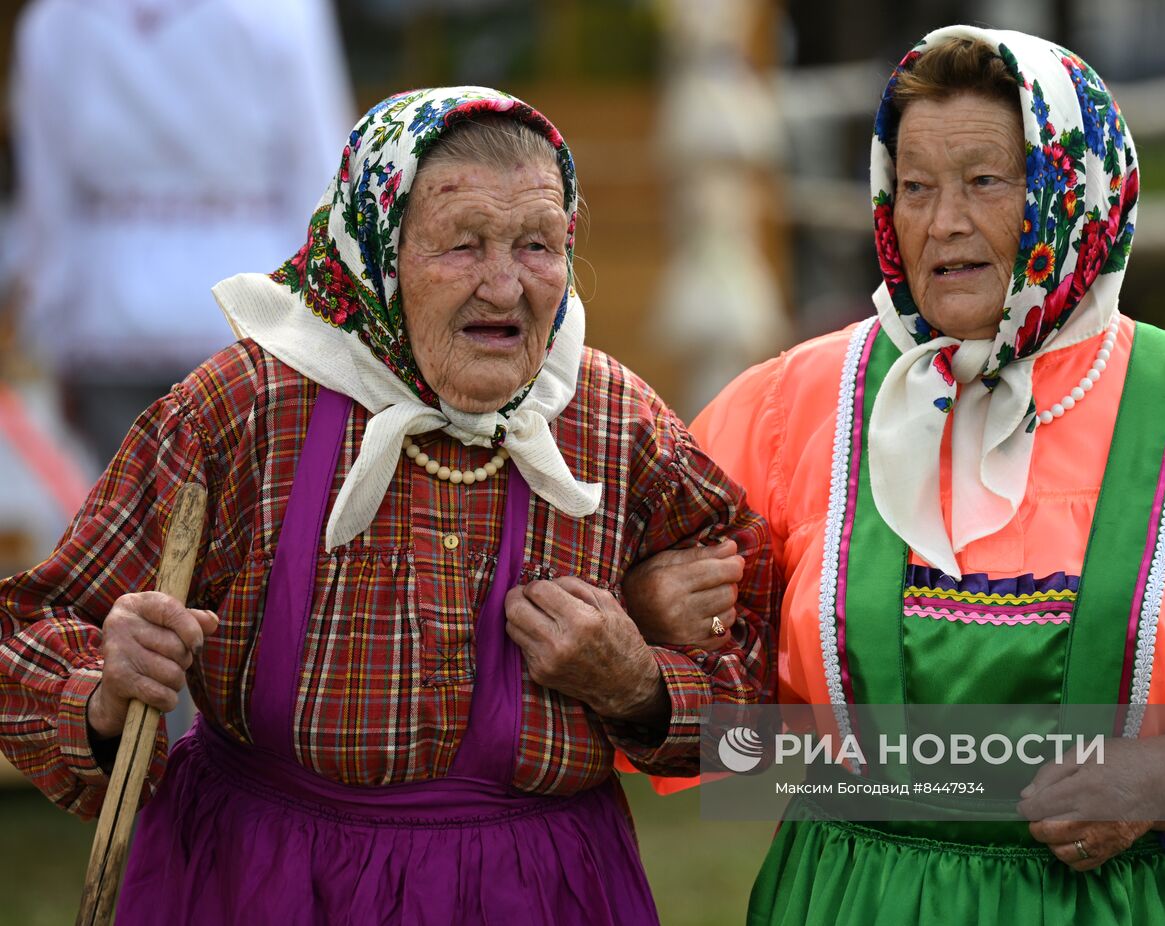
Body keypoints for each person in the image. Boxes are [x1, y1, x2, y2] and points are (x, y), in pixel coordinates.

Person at [624, 26, 1165, 925]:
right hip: (849, 903)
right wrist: (647, 623)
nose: (942, 223)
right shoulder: (795, 408)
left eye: (986, 181)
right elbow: (722, 739)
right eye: (914, 187)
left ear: (1075, 191)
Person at [0, 87, 775, 924]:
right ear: (375, 249)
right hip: (263, 886)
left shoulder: (618, 426)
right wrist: (105, 694)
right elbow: (30, 633)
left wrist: (638, 683)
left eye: (539, 245)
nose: (505, 286)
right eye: (462, 245)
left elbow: (760, 726)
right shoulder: (248, 407)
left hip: (539, 893)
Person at [8, 0, 353, 464]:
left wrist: (48, 323)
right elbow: (318, 172)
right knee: (244, 526)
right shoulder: (281, 11)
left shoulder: (56, 21)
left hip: (107, 319)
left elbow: (48, 201)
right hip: (249, 317)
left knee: (126, 527)